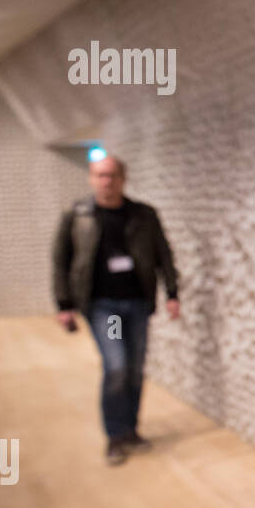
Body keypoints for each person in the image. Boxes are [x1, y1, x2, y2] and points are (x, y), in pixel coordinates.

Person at [51, 154, 181, 466]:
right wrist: (64, 304)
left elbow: (163, 254)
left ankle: (131, 430)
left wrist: (172, 292)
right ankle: (115, 435)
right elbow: (61, 260)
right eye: (100, 175)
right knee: (117, 366)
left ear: (123, 179)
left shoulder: (143, 214)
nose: (106, 181)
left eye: (112, 175)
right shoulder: (77, 215)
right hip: (102, 306)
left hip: (136, 302)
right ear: (91, 179)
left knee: (135, 369)